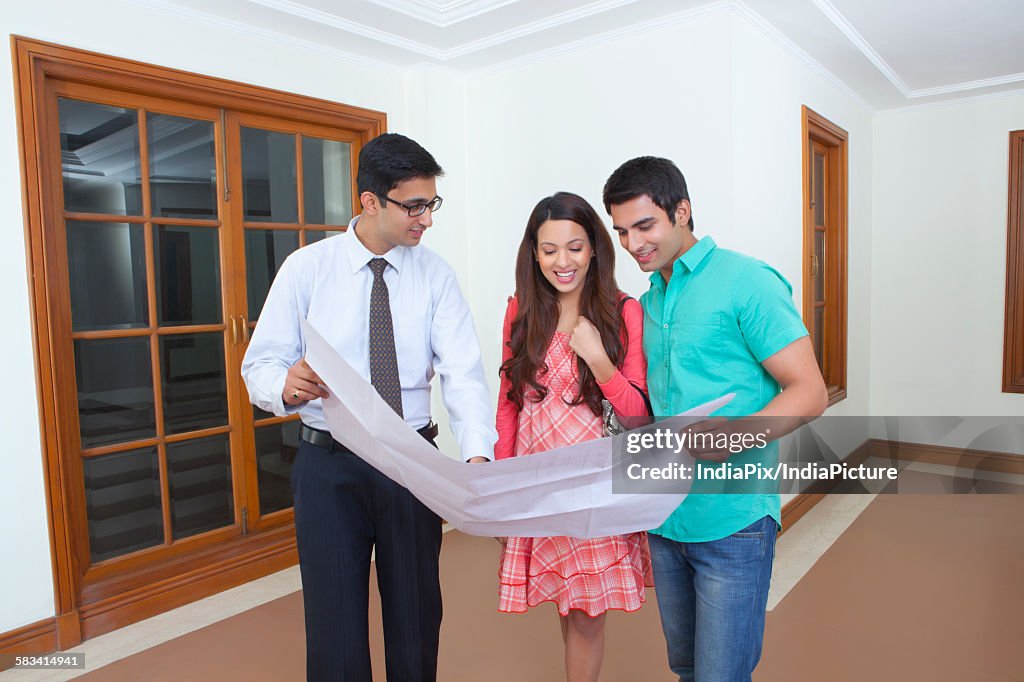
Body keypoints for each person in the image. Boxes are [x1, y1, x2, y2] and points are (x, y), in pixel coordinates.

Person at [241, 133, 496, 682]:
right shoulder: (306, 269)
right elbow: (258, 367)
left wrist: (476, 457)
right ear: (370, 201)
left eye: (432, 204)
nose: (426, 219)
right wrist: (286, 386)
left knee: (416, 617)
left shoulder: (436, 275)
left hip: (411, 460)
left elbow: (463, 374)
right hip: (328, 463)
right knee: (333, 624)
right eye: (414, 206)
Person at [602, 156, 828, 682]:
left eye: (644, 226)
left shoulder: (747, 281)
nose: (633, 244)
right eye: (621, 232)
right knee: (685, 668)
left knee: (721, 676)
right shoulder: (649, 300)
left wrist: (734, 435)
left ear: (682, 211)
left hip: (733, 521)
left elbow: (810, 391)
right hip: (665, 518)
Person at [494, 191, 653, 682]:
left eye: (575, 247)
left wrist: (598, 360)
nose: (563, 261)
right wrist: (503, 486)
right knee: (567, 604)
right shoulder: (521, 310)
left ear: (595, 248)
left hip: (594, 487)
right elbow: (507, 405)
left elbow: (638, 415)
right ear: (534, 254)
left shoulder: (623, 311)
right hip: (537, 484)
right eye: (549, 250)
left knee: (585, 615)